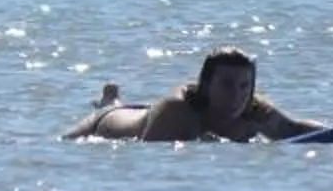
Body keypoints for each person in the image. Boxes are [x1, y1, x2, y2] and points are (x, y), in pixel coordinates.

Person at [61, 47, 319, 142]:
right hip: (106, 123)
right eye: (226, 85)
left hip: (146, 114)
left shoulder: (254, 110)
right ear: (206, 85)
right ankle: (109, 101)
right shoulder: (177, 112)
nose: (237, 96)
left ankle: (112, 96)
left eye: (244, 86)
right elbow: (143, 158)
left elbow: (295, 130)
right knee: (108, 110)